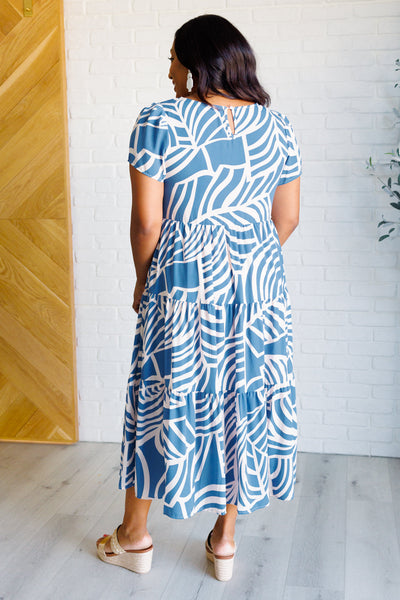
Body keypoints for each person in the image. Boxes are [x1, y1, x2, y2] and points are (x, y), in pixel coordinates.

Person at [96, 14, 302, 582]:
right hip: (258, 285)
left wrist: (145, 280)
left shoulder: (161, 119)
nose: (169, 71)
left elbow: (147, 223)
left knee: (163, 393)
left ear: (196, 62)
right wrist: (245, 259)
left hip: (182, 281)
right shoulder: (277, 126)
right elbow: (287, 218)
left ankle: (134, 538)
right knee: (242, 396)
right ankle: (225, 541)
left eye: (173, 58)